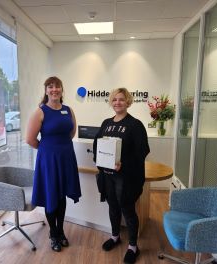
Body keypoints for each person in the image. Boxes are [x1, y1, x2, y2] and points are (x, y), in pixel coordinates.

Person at [93, 88, 150, 264]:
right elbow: (97, 144)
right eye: (115, 99)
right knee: (113, 207)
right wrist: (100, 160)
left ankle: (133, 246)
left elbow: (142, 151)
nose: (118, 102)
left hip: (126, 177)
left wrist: (123, 163)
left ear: (128, 102)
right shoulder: (106, 123)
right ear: (111, 102)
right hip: (108, 175)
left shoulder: (135, 124)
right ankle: (115, 236)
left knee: (127, 209)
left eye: (121, 100)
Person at [26, 76, 81, 252]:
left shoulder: (68, 110)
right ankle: (54, 233)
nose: (54, 89)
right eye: (50, 87)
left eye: (57, 86)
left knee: (61, 195)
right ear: (46, 90)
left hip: (66, 157)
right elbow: (30, 139)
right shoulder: (40, 111)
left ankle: (61, 230)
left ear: (61, 90)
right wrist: (46, 150)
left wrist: (61, 146)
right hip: (48, 160)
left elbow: (72, 132)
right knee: (52, 196)